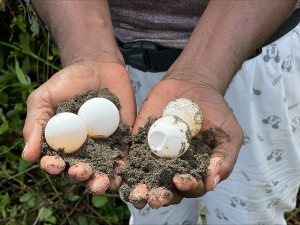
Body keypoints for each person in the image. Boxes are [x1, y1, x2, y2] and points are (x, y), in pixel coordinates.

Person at [22, 0, 300, 224]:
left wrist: (202, 72)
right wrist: (88, 52)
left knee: (251, 209)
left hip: (252, 51)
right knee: (148, 205)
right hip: (115, 68)